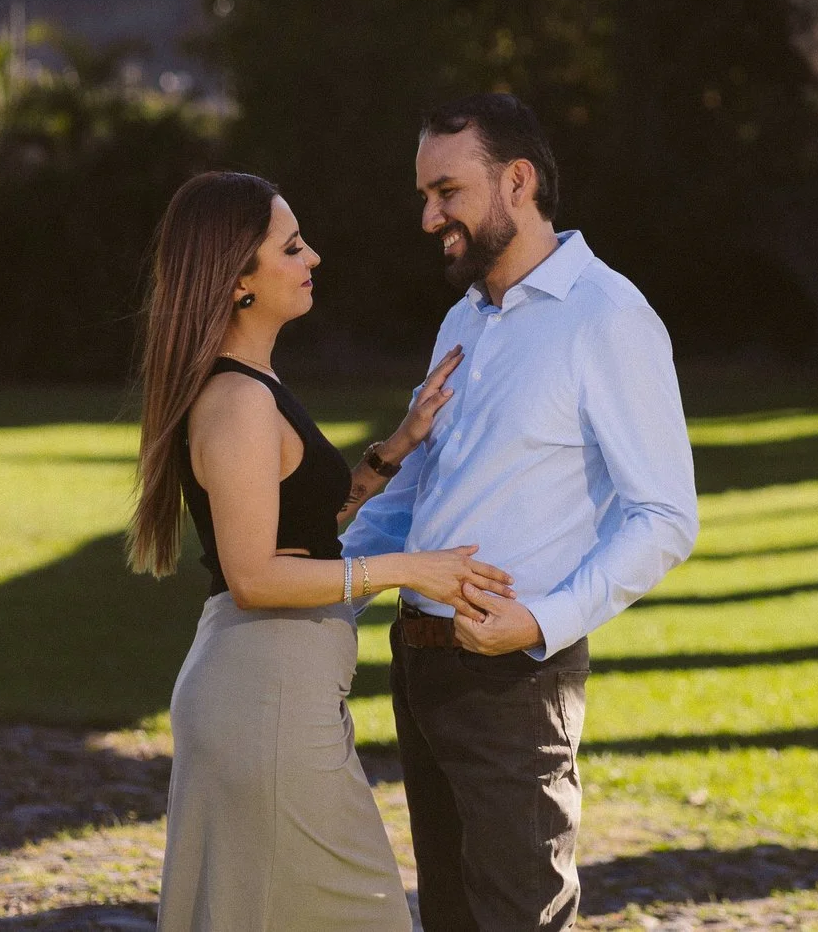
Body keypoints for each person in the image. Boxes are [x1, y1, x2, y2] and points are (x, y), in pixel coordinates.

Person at [343, 94, 700, 932]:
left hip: (515, 678)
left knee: (517, 921)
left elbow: (664, 514)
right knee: (453, 919)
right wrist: (330, 589)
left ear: (518, 179)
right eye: (425, 196)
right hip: (418, 658)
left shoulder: (608, 316)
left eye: (447, 191)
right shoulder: (463, 318)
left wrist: (538, 620)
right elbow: (421, 495)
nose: (430, 216)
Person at [130, 170, 516, 931]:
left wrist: (390, 453)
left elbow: (293, 532)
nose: (315, 257)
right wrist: (409, 566)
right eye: (292, 245)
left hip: (276, 695)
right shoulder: (239, 400)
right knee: (367, 917)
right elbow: (253, 574)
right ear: (238, 279)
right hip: (262, 699)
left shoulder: (253, 384)